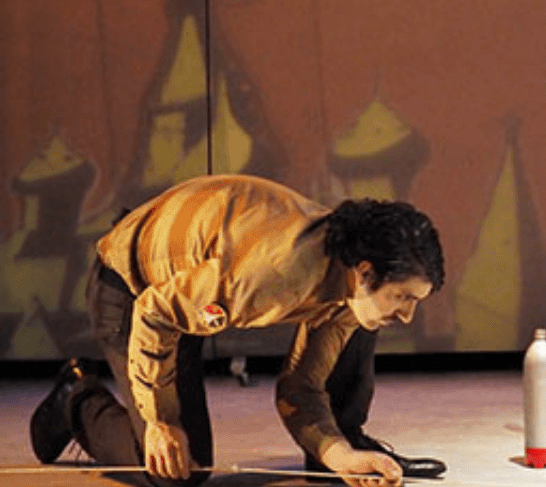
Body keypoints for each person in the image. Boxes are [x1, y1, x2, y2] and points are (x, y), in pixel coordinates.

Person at [28, 174, 447, 487]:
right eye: (403, 297)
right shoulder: (274, 273)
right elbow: (156, 313)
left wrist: (340, 456)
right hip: (131, 289)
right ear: (365, 272)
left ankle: (343, 443)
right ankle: (75, 399)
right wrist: (160, 421)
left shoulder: (348, 275)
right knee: (175, 470)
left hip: (186, 293)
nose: (408, 317)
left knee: (367, 320)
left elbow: (301, 387)